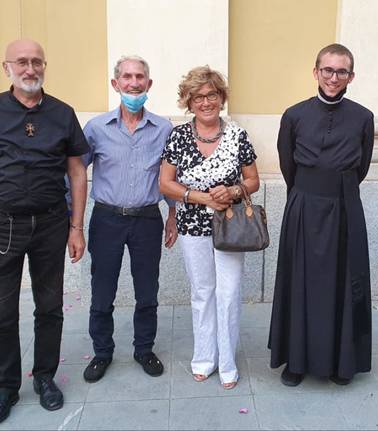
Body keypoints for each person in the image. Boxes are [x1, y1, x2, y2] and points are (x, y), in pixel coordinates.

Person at [268, 43, 375, 387]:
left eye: (341, 71)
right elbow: (288, 164)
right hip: (304, 205)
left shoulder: (363, 117)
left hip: (345, 207)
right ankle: (296, 362)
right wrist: (309, 193)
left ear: (351, 77)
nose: (333, 77)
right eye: (327, 70)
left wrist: (335, 191)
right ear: (315, 72)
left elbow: (362, 166)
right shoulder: (294, 115)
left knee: (343, 283)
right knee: (300, 282)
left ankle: (340, 362)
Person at [0, 39, 89, 422]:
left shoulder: (62, 113)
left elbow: (77, 171)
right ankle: (6, 385)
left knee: (49, 306)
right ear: (7, 68)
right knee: (3, 310)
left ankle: (45, 377)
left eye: (36, 62)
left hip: (52, 222)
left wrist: (76, 227)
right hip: (4, 224)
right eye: (22, 62)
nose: (30, 69)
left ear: (44, 67)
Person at [160, 65, 259, 390]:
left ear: (221, 97)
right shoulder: (178, 136)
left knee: (228, 294)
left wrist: (232, 192)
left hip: (230, 226)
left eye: (212, 95)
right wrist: (201, 197)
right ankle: (204, 358)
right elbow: (166, 183)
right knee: (203, 293)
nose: (206, 102)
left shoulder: (237, 135)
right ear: (189, 102)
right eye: (198, 97)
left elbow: (252, 179)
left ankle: (227, 362)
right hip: (192, 225)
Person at [81, 55, 177, 383]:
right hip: (106, 219)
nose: (133, 83)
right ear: (116, 83)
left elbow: (170, 177)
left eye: (140, 77)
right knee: (102, 289)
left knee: (147, 289)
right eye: (127, 77)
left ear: (149, 85)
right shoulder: (95, 129)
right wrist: (72, 222)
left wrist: (174, 214)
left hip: (147, 219)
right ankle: (102, 352)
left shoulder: (164, 129)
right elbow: (75, 173)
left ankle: (143, 349)